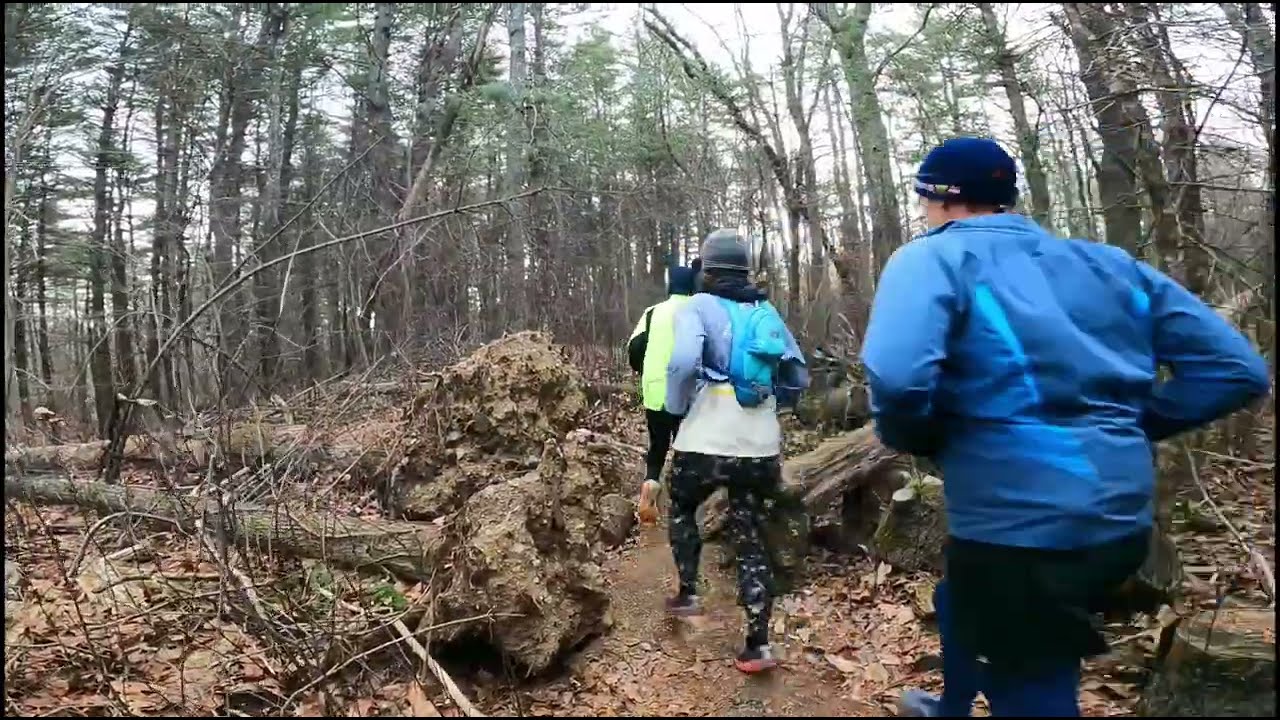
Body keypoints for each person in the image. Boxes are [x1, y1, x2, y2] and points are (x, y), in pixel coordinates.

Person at [860, 137, 1271, 717]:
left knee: (1034, 675)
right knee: (967, 601)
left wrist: (920, 438)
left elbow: (899, 381)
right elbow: (1237, 370)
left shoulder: (931, 258)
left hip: (1019, 526)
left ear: (937, 199)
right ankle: (949, 705)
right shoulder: (1109, 264)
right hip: (1122, 522)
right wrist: (1130, 425)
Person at [663, 229, 809, 674]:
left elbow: (683, 363)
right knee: (749, 529)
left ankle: (689, 591)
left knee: (682, 504)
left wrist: (676, 407)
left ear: (706, 269)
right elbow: (798, 375)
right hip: (759, 444)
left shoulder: (696, 307)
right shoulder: (767, 312)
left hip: (705, 438)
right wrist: (771, 405)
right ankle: (757, 645)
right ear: (746, 269)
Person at [628, 264, 698, 524]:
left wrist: (644, 370)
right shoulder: (697, 312)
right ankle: (682, 502)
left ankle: (651, 483)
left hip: (655, 389)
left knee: (658, 444)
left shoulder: (652, 313)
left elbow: (634, 347)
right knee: (686, 446)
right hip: (687, 392)